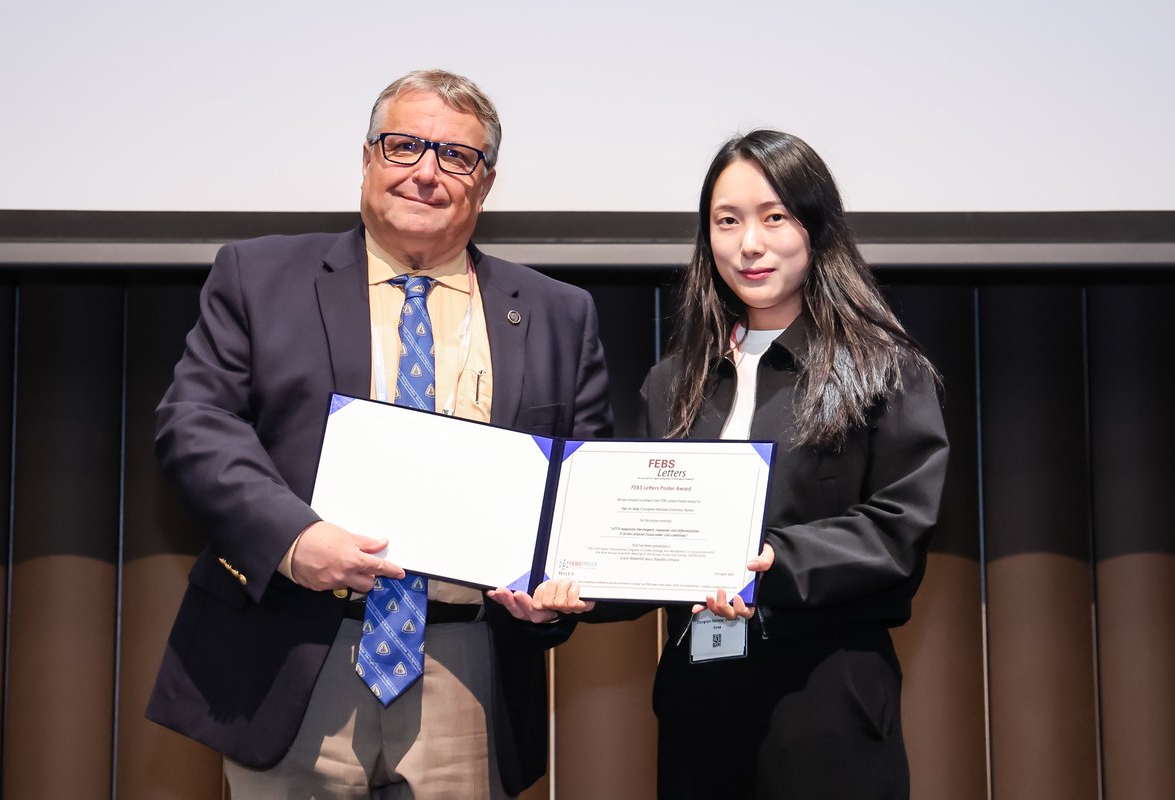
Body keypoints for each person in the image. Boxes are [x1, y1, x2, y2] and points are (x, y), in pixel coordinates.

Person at [146, 69, 612, 799]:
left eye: (455, 156)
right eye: (403, 146)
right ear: (367, 159)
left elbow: (578, 489)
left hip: (470, 667)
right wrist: (295, 540)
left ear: (484, 183)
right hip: (293, 653)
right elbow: (195, 425)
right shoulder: (260, 277)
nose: (426, 172)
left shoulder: (559, 314)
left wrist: (557, 583)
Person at [533, 129, 948, 799]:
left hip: (824, 710)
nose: (749, 243)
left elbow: (898, 530)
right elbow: (648, 548)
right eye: (727, 221)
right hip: (700, 707)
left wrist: (769, 560)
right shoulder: (673, 382)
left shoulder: (883, 371)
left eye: (774, 217)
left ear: (815, 229)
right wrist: (571, 590)